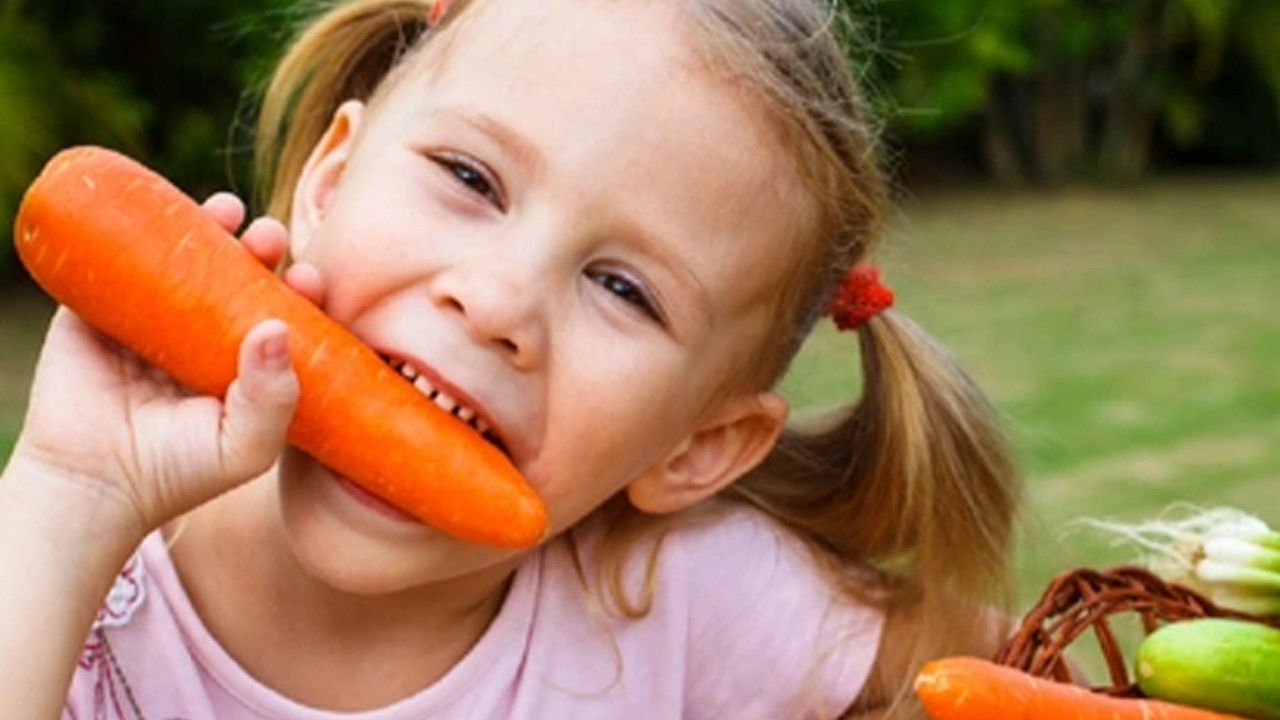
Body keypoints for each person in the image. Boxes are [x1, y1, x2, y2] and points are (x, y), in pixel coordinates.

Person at [0, 0, 1022, 717]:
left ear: (697, 446)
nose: (494, 304)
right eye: (468, 178)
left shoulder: (682, 598)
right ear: (328, 180)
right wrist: (70, 496)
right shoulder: (68, 584)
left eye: (624, 288)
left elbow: (1044, 674)